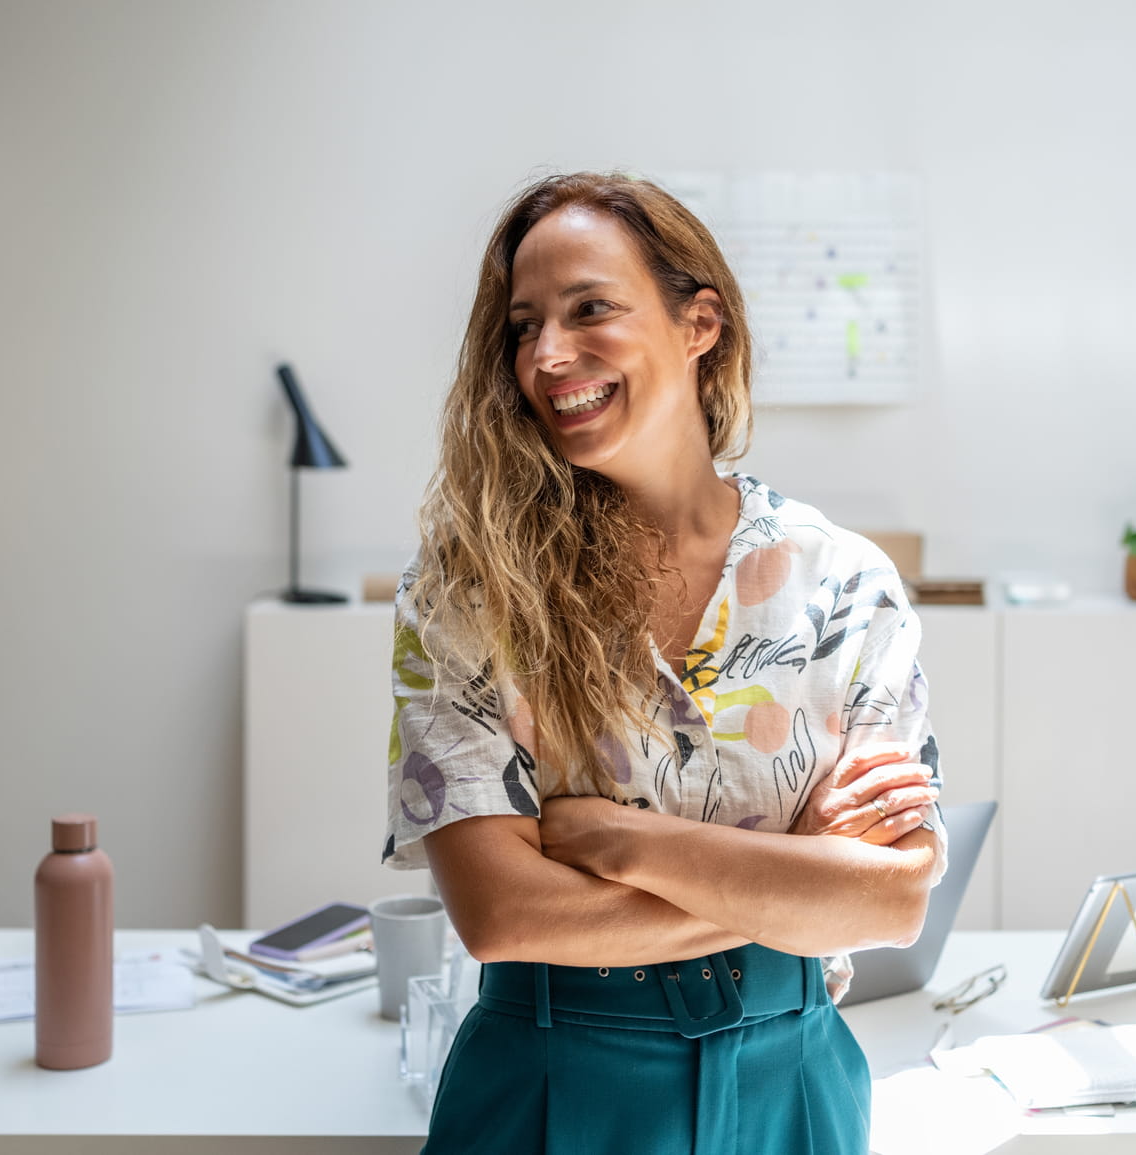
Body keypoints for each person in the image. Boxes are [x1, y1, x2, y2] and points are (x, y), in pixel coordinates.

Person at [383, 171, 946, 1154]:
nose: (547, 355)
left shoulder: (843, 582)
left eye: (588, 309)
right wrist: (796, 880)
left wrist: (612, 838)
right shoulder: (469, 586)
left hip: (797, 1089)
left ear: (699, 325)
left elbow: (891, 901)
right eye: (522, 327)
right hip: (549, 1084)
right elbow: (500, 913)